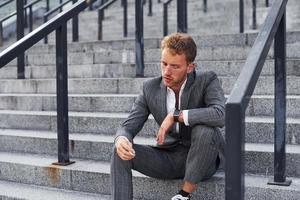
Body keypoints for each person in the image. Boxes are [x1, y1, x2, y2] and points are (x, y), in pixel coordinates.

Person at [110, 32, 225, 200]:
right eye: (164, 64)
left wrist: (176, 115)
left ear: (190, 67)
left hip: (203, 159)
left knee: (205, 130)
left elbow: (220, 114)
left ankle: (183, 195)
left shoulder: (207, 80)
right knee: (119, 150)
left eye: (175, 66)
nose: (167, 72)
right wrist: (121, 138)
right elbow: (128, 126)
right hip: (169, 158)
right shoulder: (150, 88)